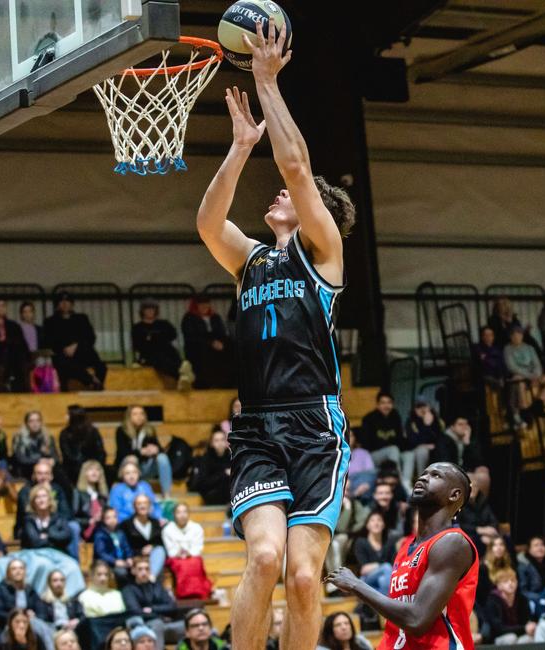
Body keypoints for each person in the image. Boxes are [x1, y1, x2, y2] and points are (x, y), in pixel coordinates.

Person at [197, 23, 355, 650]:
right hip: (260, 425)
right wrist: (239, 147)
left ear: (317, 209)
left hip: (316, 426)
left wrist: (267, 81)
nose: (281, 188)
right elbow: (209, 223)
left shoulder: (323, 251)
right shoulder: (253, 260)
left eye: (294, 193)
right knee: (263, 560)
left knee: (304, 576)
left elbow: (295, 161)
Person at [326, 463, 477, 649]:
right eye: (423, 473)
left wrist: (356, 585)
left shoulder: (452, 543)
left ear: (454, 495)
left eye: (436, 475)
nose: (423, 478)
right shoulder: (407, 546)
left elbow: (416, 620)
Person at [43, 292, 107, 391]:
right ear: (57, 305)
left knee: (101, 366)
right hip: (63, 356)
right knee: (63, 364)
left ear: (72, 304)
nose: (65, 304)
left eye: (67, 301)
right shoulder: (50, 322)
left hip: (82, 352)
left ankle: (97, 387)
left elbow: (91, 337)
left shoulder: (81, 319)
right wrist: (65, 349)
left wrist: (77, 346)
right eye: (62, 301)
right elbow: (49, 341)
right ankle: (92, 380)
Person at [15, 459, 79, 557]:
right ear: (34, 476)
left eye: (46, 473)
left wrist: (50, 532)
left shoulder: (57, 489)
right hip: (31, 526)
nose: (43, 477)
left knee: (73, 527)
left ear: (51, 476)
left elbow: (66, 514)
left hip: (54, 524)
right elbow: (28, 514)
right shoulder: (25, 491)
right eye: (40, 473)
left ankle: (73, 561)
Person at [122, 556, 185, 650]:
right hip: (144, 626)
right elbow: (136, 611)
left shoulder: (157, 586)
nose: (144, 572)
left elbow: (172, 607)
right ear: (133, 571)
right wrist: (160, 615)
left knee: (187, 626)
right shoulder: (128, 590)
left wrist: (152, 609)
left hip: (166, 624)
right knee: (157, 623)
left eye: (147, 569)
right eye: (140, 569)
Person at [0, 560, 52, 649]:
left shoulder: (30, 590)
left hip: (31, 623)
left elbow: (41, 611)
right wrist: (16, 617)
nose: (18, 571)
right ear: (8, 572)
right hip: (7, 624)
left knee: (43, 626)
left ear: (25, 571)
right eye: (14, 569)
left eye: (21, 568)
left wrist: (34, 616)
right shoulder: (0, 590)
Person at [504, 325, 545, 424]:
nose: (517, 337)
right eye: (514, 335)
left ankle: (538, 404)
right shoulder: (507, 349)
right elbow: (512, 367)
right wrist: (529, 376)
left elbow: (537, 363)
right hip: (521, 376)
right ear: (510, 337)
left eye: (519, 335)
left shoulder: (529, 348)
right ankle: (524, 409)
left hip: (533, 376)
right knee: (519, 380)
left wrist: (536, 376)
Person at [115, 406, 173, 500]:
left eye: (141, 414)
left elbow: (159, 448)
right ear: (129, 417)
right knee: (132, 459)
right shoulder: (121, 430)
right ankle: (132, 492)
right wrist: (141, 452)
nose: (139, 416)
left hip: (146, 467)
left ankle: (167, 495)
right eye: (135, 414)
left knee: (162, 457)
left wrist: (156, 450)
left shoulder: (149, 430)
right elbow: (123, 453)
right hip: (127, 467)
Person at [162, 502, 212, 599]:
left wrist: (189, 553)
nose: (182, 515)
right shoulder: (167, 530)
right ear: (174, 515)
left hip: (192, 555)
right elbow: (170, 550)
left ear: (188, 513)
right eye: (179, 512)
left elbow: (198, 547)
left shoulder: (196, 528)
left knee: (195, 562)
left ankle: (197, 592)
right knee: (182, 565)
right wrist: (179, 553)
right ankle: (183, 594)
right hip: (176, 557)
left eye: (185, 512)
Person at [181, 294, 231, 389]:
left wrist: (222, 343)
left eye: (206, 303)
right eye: (201, 304)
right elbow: (191, 337)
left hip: (216, 344)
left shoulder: (215, 317)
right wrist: (210, 343)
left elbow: (222, 333)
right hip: (198, 348)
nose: (204, 306)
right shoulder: (189, 318)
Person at [0, 298, 30, 392]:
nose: (1, 308)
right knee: (3, 355)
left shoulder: (14, 326)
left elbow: (23, 345)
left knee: (18, 358)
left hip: (13, 358)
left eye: (3, 305)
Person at [432, 418, 490, 496]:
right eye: (460, 424)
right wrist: (464, 473)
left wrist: (468, 443)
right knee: (472, 482)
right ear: (452, 427)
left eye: (466, 424)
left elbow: (478, 461)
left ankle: (481, 505)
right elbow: (445, 463)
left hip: (465, 470)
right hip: (450, 473)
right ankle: (470, 506)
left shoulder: (469, 439)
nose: (464, 427)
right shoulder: (444, 440)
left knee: (484, 474)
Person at [132, 299, 183, 381]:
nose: (150, 311)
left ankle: (183, 373)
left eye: (152, 309)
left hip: (166, 350)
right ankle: (180, 375)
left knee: (174, 356)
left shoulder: (164, 324)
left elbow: (172, 335)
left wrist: (153, 338)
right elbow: (137, 345)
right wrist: (156, 339)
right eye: (147, 309)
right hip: (149, 354)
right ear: (142, 311)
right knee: (160, 360)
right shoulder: (138, 327)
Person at [120, 495, 166, 580]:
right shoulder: (126, 525)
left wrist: (153, 546)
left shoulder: (155, 523)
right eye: (139, 503)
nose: (142, 506)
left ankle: (151, 577)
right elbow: (124, 545)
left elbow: (161, 543)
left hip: (153, 557)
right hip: (135, 558)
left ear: (149, 506)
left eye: (145, 503)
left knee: (160, 550)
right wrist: (140, 551)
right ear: (134, 507)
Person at [485, 568, 536, 644]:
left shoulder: (522, 599)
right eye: (506, 581)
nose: (510, 583)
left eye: (513, 580)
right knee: (511, 638)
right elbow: (498, 628)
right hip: (499, 636)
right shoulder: (492, 601)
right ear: (499, 585)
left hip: (520, 634)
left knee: (529, 639)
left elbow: (527, 621)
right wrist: (523, 628)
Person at [59, 405, 106, 486]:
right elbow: (68, 455)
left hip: (92, 466)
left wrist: (93, 466)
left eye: (68, 414)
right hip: (73, 470)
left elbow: (100, 452)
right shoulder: (65, 434)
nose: (65, 416)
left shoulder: (93, 431)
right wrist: (83, 467)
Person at [401, 399, 442, 492]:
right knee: (421, 450)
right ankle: (422, 481)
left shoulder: (437, 421)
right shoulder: (411, 421)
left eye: (424, 407)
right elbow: (412, 440)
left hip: (435, 452)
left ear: (429, 408)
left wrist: (429, 424)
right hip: (416, 451)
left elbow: (440, 439)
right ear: (415, 409)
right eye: (419, 407)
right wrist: (426, 426)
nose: (422, 409)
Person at [352, 512, 397, 596]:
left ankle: (381, 605)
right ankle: (389, 603)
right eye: (372, 520)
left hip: (385, 578)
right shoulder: (361, 542)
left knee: (382, 579)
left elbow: (394, 564)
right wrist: (382, 566)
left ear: (383, 525)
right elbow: (364, 569)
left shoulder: (389, 542)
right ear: (367, 525)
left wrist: (379, 566)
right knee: (386, 567)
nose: (376, 523)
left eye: (379, 520)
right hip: (366, 580)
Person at [456, 472, 500, 556]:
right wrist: (478, 531)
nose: (474, 489)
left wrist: (490, 532)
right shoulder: (459, 503)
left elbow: (494, 521)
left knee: (505, 540)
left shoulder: (482, 500)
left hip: (486, 537)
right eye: (471, 486)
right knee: (479, 543)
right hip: (467, 536)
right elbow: (457, 525)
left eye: (476, 486)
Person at [21, 485, 72, 554]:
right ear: (33, 502)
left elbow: (67, 537)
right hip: (37, 555)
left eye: (44, 496)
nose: (41, 500)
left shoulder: (59, 518)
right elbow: (35, 543)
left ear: (50, 500)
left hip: (59, 554)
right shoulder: (29, 521)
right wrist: (56, 540)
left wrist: (48, 535)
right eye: (38, 497)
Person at [109, 458, 163, 523]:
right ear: (122, 475)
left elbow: (155, 505)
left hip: (149, 521)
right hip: (127, 524)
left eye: (134, 472)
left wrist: (158, 518)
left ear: (138, 473)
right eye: (127, 473)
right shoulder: (117, 490)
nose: (132, 476)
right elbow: (116, 513)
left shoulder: (145, 486)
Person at [359, 392, 403, 469]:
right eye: (383, 403)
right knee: (393, 449)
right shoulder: (369, 419)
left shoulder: (395, 417)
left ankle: (406, 480)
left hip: (392, 451)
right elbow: (366, 443)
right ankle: (394, 479)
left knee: (409, 454)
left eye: (389, 403)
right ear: (377, 405)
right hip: (373, 454)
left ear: (392, 404)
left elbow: (400, 439)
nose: (386, 406)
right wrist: (387, 445)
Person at [187, 429, 230, 505]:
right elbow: (203, 483)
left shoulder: (231, 456)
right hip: (211, 493)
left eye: (222, 440)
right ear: (211, 443)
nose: (220, 443)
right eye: (216, 440)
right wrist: (224, 474)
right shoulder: (206, 459)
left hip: (228, 492)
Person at [12, 411, 59, 480]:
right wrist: (39, 460)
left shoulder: (47, 437)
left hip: (46, 469)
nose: (35, 424)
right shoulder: (19, 438)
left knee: (58, 471)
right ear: (26, 423)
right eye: (31, 421)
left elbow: (55, 456)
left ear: (41, 422)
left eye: (38, 420)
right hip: (27, 470)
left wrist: (52, 460)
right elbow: (21, 459)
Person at [93, 506, 134, 586]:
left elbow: (126, 547)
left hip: (123, 561)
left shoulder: (120, 533)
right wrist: (114, 561)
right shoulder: (100, 534)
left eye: (114, 517)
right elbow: (101, 553)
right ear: (103, 520)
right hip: (109, 563)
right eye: (108, 518)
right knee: (121, 573)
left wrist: (129, 557)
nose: (112, 520)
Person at [516, 536, 545, 607]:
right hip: (532, 599)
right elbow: (523, 591)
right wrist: (540, 598)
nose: (540, 548)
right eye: (536, 545)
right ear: (529, 549)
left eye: (542, 545)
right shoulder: (523, 566)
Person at [72, 460, 109, 541]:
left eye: (97, 470)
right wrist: (90, 521)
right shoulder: (78, 492)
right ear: (84, 473)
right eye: (91, 469)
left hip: (102, 528)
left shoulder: (102, 495)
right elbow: (73, 517)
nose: (94, 472)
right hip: (86, 530)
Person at [476, 535, 512, 607]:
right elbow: (481, 594)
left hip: (507, 600)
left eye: (501, 544)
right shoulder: (483, 568)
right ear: (490, 548)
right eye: (495, 545)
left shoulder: (508, 565)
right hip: (489, 604)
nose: (499, 548)